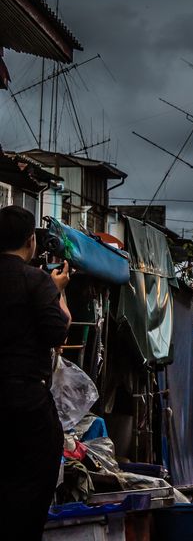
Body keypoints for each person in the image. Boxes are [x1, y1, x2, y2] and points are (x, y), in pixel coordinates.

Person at [0, 206, 71, 540]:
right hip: (27, 400)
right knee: (33, 483)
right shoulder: (36, 281)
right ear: (30, 242)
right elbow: (58, 332)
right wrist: (58, 290)